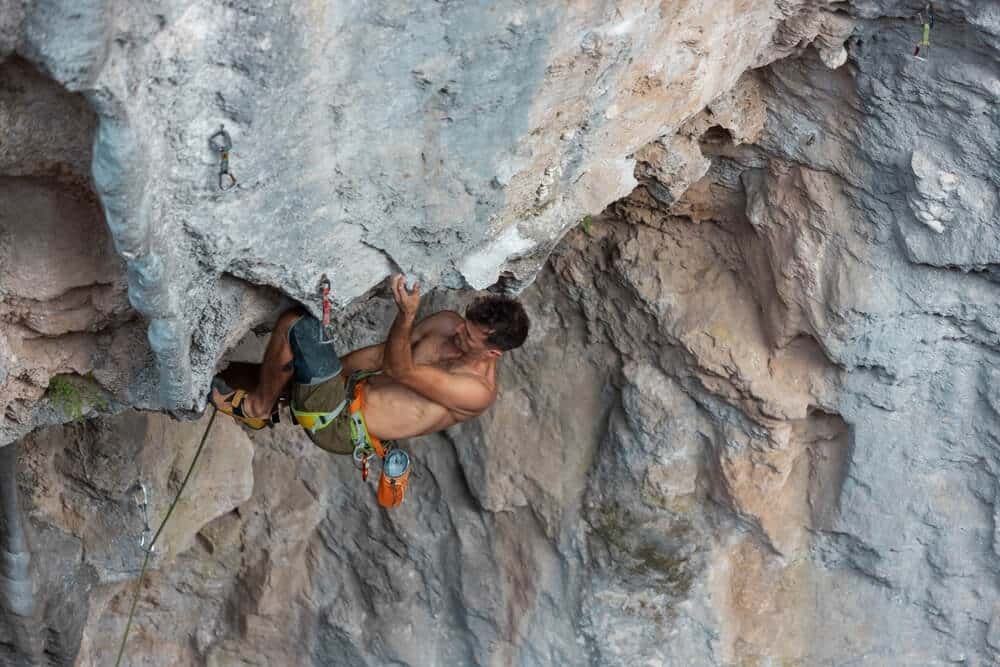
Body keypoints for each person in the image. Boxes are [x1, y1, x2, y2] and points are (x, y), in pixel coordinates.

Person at [209, 275, 530, 454]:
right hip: (341, 393)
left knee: (297, 324)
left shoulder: (475, 392)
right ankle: (265, 396)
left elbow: (399, 370)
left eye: (470, 337)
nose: (459, 331)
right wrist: (328, 375)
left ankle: (257, 409)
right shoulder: (447, 324)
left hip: (341, 425)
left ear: (492, 353)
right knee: (221, 377)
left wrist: (406, 315)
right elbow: (379, 356)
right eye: (465, 324)